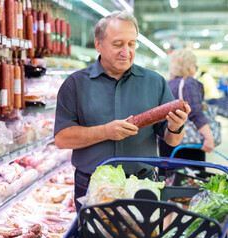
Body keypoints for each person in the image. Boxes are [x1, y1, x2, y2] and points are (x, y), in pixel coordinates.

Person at [54, 11, 191, 212]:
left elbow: (172, 140)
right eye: (118, 44)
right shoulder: (75, 84)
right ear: (99, 44)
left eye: (131, 44)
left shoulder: (155, 82)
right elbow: (62, 139)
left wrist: (176, 126)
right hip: (92, 186)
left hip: (142, 185)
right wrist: (105, 132)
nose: (126, 52)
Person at [159, 49, 214, 163]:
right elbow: (196, 114)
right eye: (195, 65)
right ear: (189, 66)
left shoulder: (167, 84)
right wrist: (209, 137)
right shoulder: (189, 84)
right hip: (188, 143)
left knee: (169, 178)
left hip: (167, 138)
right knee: (190, 178)